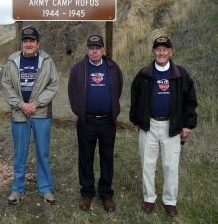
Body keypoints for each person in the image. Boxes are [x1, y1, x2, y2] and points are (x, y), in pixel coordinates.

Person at [129, 36, 198, 217]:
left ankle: (170, 201)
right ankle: (149, 198)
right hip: (149, 126)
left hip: (172, 126)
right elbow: (135, 97)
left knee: (170, 166)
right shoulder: (144, 73)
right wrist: (136, 120)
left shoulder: (180, 75)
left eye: (165, 49)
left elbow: (190, 101)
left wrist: (188, 125)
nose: (161, 52)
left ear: (171, 52)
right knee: (147, 164)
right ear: (153, 52)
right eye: (158, 49)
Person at [2, 26, 58, 205]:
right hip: (19, 114)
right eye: (25, 41)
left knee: (43, 152)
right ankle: (17, 189)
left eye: (32, 41)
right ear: (22, 43)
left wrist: (35, 103)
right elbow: (6, 85)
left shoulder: (47, 60)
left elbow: (53, 85)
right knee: (20, 153)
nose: (28, 44)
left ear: (38, 43)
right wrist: (21, 105)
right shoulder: (12, 60)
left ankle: (45, 188)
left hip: (41, 114)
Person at [68, 35, 123, 213]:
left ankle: (106, 194)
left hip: (107, 121)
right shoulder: (78, 69)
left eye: (97, 47)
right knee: (86, 158)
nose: (94, 50)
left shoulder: (113, 68)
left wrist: (111, 108)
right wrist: (80, 112)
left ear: (103, 50)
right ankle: (87, 192)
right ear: (87, 50)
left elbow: (118, 88)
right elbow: (72, 93)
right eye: (91, 47)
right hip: (87, 121)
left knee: (107, 158)